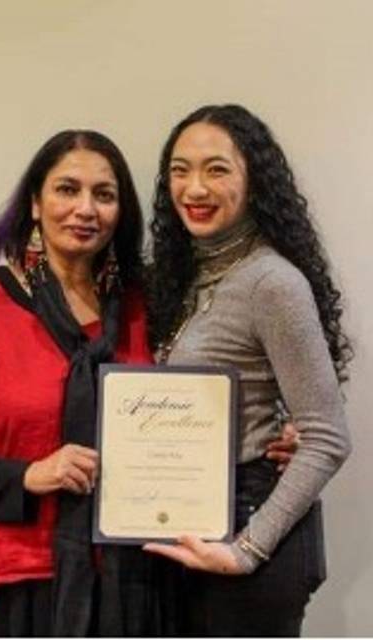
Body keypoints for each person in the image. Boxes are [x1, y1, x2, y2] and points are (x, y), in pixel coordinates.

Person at [0, 126, 297, 637]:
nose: (85, 208)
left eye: (104, 195)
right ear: (35, 204)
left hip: (138, 583)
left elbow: (210, 392)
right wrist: (26, 475)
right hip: (17, 585)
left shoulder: (147, 307)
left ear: (120, 213)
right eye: (67, 189)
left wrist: (281, 430)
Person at [144, 104, 352, 637]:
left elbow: (327, 437)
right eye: (180, 169)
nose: (194, 187)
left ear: (254, 180)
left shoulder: (271, 283)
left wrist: (246, 551)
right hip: (194, 521)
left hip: (251, 527)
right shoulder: (182, 277)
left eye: (217, 169)